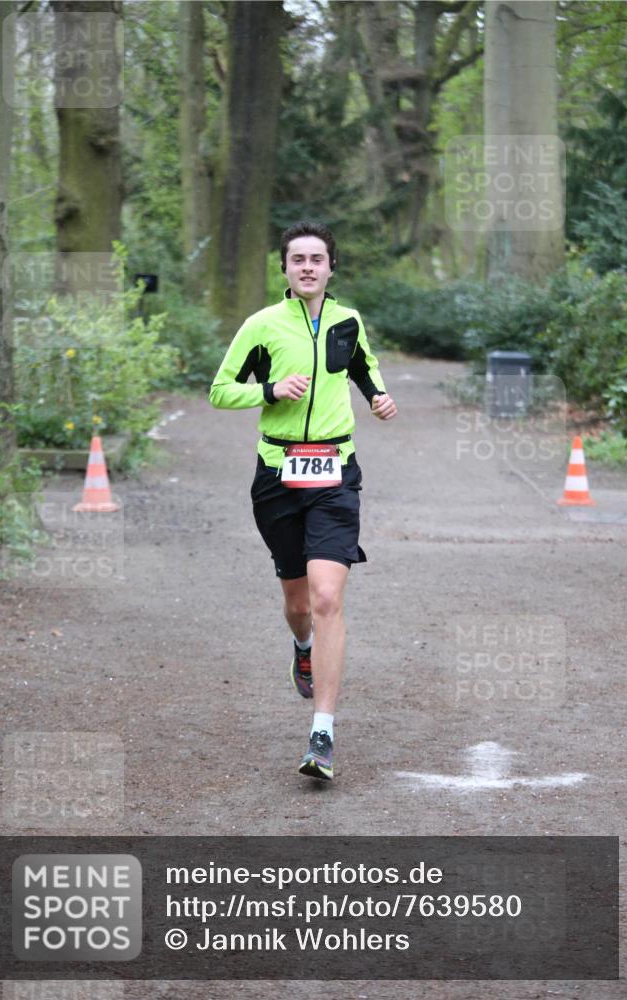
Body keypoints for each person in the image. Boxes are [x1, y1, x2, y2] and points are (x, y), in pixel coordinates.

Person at [209, 221, 397, 781]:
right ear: (286, 269)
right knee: (297, 602)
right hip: (279, 474)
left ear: (331, 268)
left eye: (318, 258)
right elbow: (220, 390)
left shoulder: (348, 320)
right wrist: (268, 391)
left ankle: (323, 733)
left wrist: (380, 396)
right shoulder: (261, 326)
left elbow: (363, 367)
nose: (309, 267)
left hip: (336, 473)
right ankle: (303, 647)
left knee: (327, 596)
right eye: (298, 259)